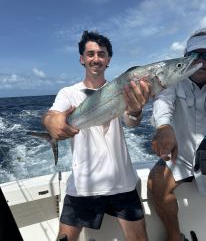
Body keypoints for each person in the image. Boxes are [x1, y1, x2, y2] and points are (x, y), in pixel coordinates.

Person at [43, 30, 151, 241]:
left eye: (101, 54)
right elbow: (53, 114)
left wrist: (136, 110)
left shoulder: (122, 88)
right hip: (83, 184)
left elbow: (131, 122)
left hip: (123, 182)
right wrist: (51, 123)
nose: (96, 58)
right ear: (82, 59)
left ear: (108, 59)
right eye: (90, 54)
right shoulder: (68, 93)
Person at [147, 28, 206, 241]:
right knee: (156, 182)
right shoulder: (173, 79)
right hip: (181, 153)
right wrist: (163, 127)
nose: (200, 62)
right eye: (194, 56)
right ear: (185, 58)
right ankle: (174, 237)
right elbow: (163, 101)